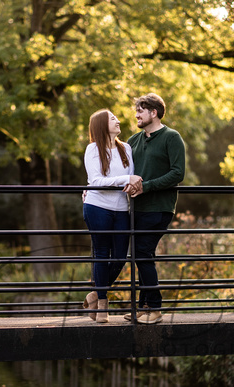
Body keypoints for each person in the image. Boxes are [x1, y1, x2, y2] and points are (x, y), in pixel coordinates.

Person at [123, 93, 185, 324]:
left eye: (140, 110)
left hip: (159, 207)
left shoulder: (172, 137)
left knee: (141, 252)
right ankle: (144, 307)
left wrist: (146, 187)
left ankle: (155, 308)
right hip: (135, 208)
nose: (136, 115)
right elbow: (119, 172)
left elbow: (178, 173)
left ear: (154, 113)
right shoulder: (132, 141)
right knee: (142, 254)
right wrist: (92, 188)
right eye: (136, 110)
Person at [82, 109, 136, 323]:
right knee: (102, 253)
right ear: (102, 125)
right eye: (113, 118)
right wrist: (126, 179)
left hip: (122, 208)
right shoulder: (92, 149)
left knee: (121, 256)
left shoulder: (127, 148)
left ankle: (93, 294)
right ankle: (102, 306)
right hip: (98, 207)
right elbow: (95, 181)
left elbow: (129, 178)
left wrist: (130, 182)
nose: (118, 120)